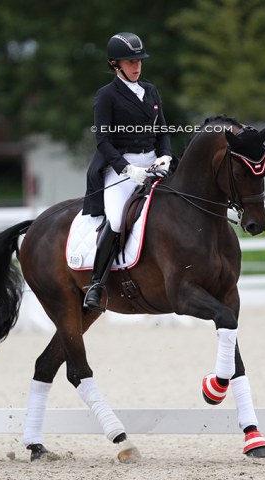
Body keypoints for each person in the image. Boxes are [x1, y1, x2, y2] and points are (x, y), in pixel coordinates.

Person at [82, 31, 173, 312]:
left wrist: (166, 156)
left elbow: (162, 130)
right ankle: (96, 284)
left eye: (139, 62)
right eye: (130, 62)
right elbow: (103, 141)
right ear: (115, 64)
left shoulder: (151, 90)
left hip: (153, 163)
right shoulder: (107, 96)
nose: (136, 67)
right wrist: (126, 169)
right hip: (121, 168)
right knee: (118, 220)